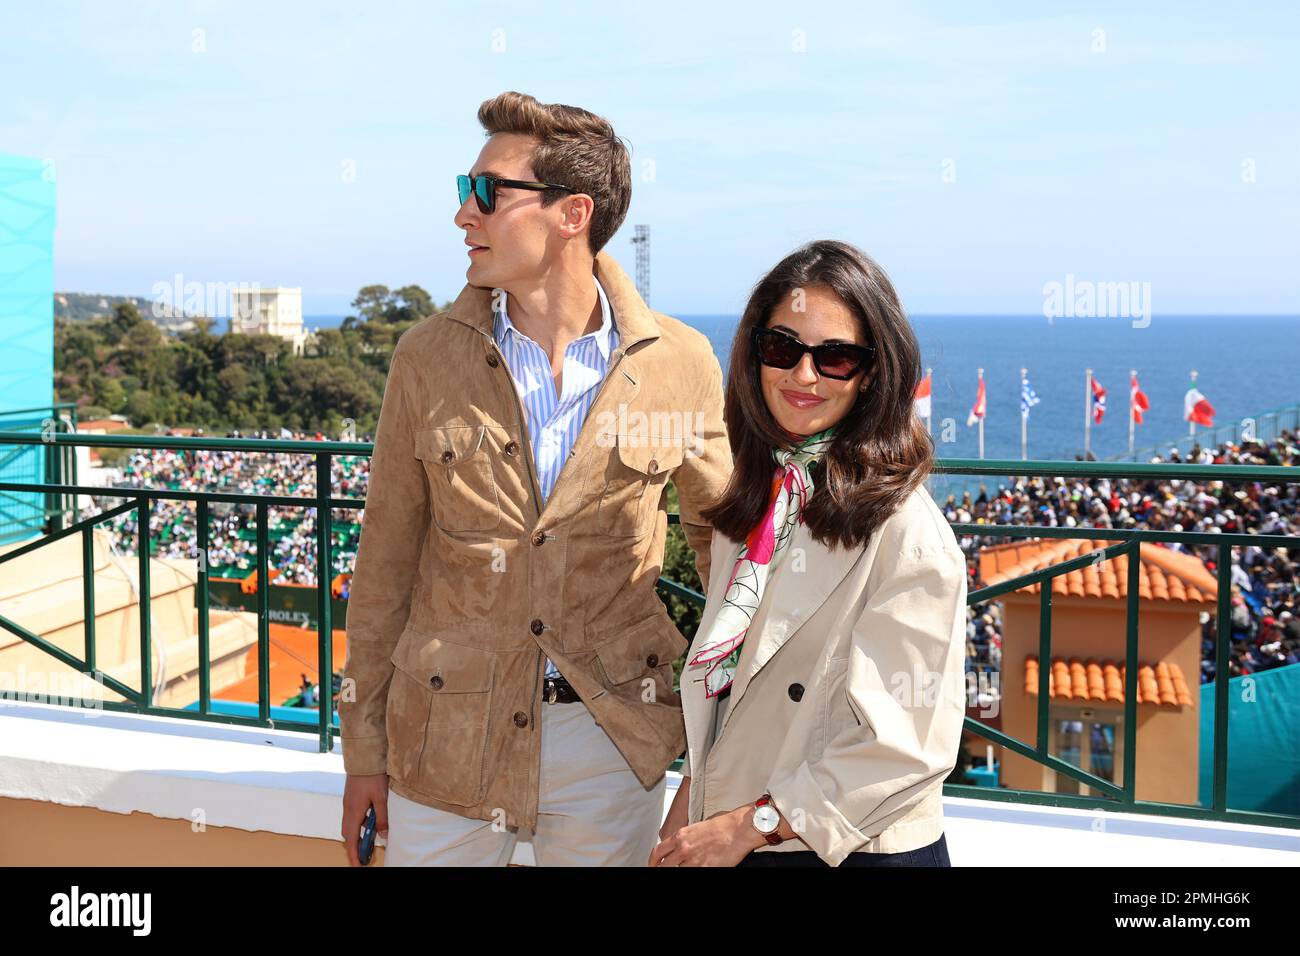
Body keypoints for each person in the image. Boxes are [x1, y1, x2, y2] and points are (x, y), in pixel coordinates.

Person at [338, 91, 732, 866]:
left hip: (611, 744)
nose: (463, 214)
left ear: (572, 213)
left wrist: (720, 751)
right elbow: (383, 565)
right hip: (443, 744)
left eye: (486, 192)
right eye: (464, 190)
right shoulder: (428, 358)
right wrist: (363, 755)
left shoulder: (678, 363)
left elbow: (733, 558)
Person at [649, 239, 968, 867]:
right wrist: (695, 799)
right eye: (782, 348)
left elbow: (905, 747)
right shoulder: (761, 499)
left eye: (836, 358)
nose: (802, 375)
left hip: (845, 845)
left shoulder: (907, 533)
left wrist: (749, 825)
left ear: (874, 371)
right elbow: (738, 685)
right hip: (751, 828)